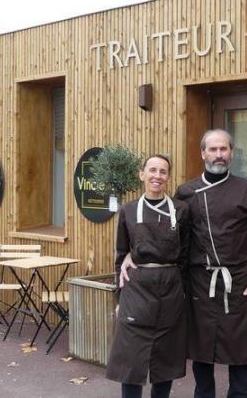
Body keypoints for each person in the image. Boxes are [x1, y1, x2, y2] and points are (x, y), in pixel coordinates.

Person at [122, 129, 247, 398]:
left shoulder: (246, 189)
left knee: (240, 351)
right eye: (212, 150)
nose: (219, 155)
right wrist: (132, 254)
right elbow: (168, 234)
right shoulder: (186, 192)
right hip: (199, 281)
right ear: (203, 154)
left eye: (223, 149)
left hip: (237, 281)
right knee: (202, 351)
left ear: (231, 153)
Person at [106, 154, 190, 398]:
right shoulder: (128, 211)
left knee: (166, 358)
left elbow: (185, 255)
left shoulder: (181, 210)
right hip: (137, 287)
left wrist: (182, 293)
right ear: (141, 174)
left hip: (171, 288)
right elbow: (121, 256)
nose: (157, 176)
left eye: (163, 171)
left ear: (168, 177)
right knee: (131, 360)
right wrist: (120, 298)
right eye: (152, 170)